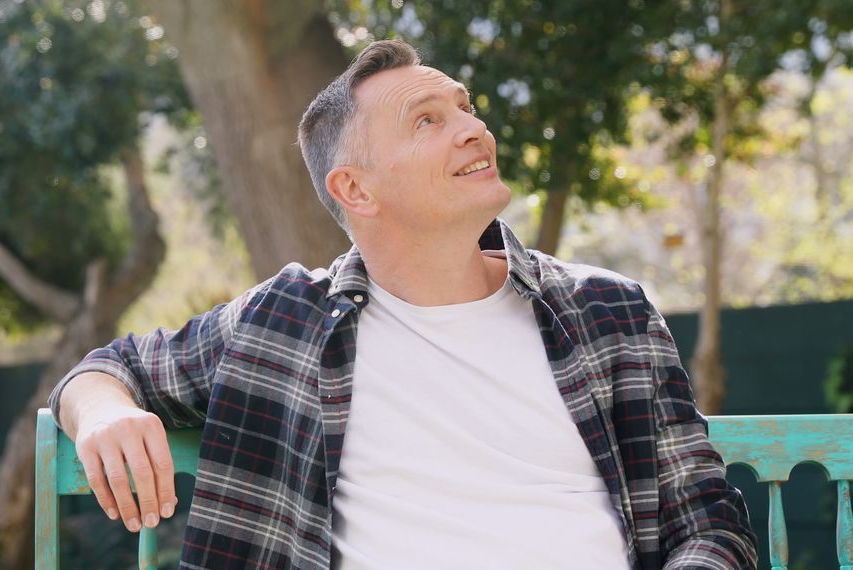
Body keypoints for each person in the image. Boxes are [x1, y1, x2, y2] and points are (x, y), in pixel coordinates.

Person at [49, 39, 757, 569]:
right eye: (426, 120)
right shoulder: (285, 322)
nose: (473, 129)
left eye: (465, 107)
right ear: (356, 190)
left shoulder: (610, 314)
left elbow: (710, 525)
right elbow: (107, 368)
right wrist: (105, 411)